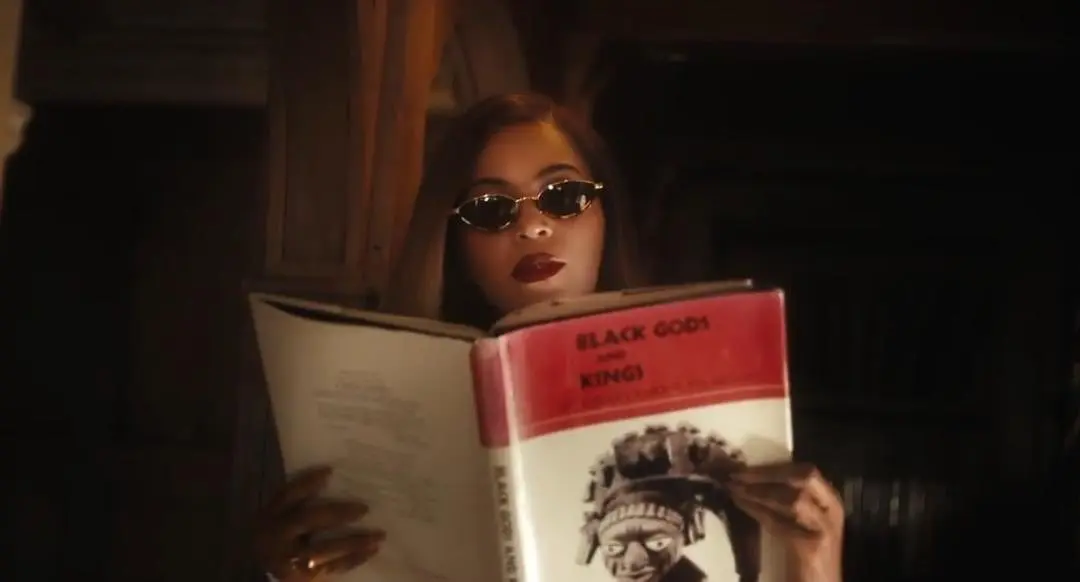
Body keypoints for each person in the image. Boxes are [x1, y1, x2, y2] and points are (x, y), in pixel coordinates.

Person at [252, 92, 845, 582]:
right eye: (491, 208)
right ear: (455, 242)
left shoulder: (723, 404)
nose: (533, 225)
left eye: (563, 197)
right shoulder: (375, 400)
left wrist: (816, 564)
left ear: (605, 217)